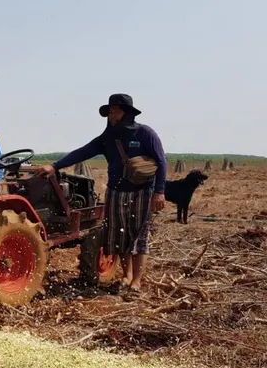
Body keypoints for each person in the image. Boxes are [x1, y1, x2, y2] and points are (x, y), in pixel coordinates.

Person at [34, 94, 167, 295]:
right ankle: (127, 276)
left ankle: (137, 281)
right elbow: (83, 152)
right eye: (110, 112)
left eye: (116, 111)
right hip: (116, 192)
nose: (112, 116)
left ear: (128, 114)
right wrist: (54, 166)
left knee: (138, 236)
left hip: (142, 192)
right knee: (121, 235)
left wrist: (159, 192)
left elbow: (161, 162)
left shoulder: (145, 134)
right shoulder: (108, 138)